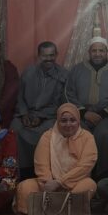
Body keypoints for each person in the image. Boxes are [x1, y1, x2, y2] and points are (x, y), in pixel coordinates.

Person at [14, 103, 97, 214]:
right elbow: (41, 164)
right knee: (25, 187)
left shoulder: (87, 137)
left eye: (72, 120)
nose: (68, 124)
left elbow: (85, 167)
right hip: (49, 184)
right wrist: (48, 184)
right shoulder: (48, 136)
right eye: (64, 121)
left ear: (78, 121)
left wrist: (60, 182)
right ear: (58, 121)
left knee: (89, 185)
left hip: (75, 183)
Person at [65, 36, 108, 179]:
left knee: (103, 134)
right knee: (79, 133)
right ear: (89, 52)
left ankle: (101, 173)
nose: (97, 54)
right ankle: (79, 172)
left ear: (107, 52)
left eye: (101, 50)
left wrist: (104, 113)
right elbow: (68, 92)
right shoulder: (77, 69)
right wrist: (84, 113)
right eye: (94, 51)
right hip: (81, 115)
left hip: (107, 115)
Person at [11, 41, 68, 179]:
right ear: (39, 56)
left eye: (51, 55)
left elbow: (61, 103)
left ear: (56, 55)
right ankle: (18, 173)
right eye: (45, 56)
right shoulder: (28, 72)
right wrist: (24, 114)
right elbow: (19, 96)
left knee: (44, 133)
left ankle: (40, 171)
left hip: (49, 116)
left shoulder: (64, 75)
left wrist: (41, 117)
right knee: (14, 130)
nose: (48, 59)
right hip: (25, 113)